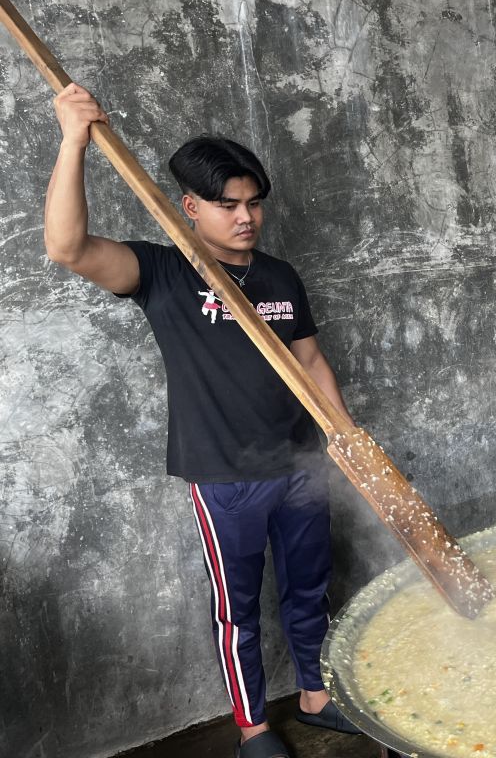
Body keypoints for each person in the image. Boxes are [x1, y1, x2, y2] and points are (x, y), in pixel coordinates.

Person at [45, 83, 359, 758]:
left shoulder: (280, 276)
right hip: (224, 476)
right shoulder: (162, 272)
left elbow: (311, 360)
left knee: (309, 586)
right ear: (190, 208)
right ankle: (253, 730)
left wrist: (344, 438)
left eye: (252, 204)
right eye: (228, 205)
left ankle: (317, 697)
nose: (246, 217)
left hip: (301, 464)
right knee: (237, 609)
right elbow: (67, 248)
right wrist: (73, 141)